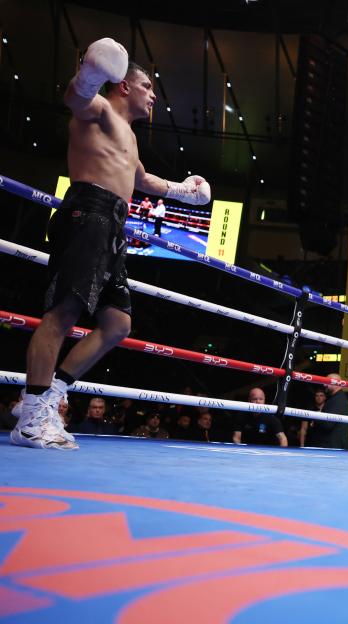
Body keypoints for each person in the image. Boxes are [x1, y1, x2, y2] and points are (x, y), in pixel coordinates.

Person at [10, 37, 211, 450]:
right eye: (148, 87)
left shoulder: (130, 136)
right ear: (123, 85)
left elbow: (142, 181)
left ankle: (52, 395)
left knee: (118, 324)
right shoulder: (98, 110)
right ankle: (30, 414)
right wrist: (91, 71)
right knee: (63, 313)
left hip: (113, 226)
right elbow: (76, 96)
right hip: (89, 213)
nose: (153, 96)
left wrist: (185, 192)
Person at [306, 375, 348, 450]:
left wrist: (316, 419)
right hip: (334, 446)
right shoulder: (337, 398)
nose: (324, 385)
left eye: (327, 382)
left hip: (333, 447)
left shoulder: (337, 400)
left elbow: (328, 424)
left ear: (336, 383)